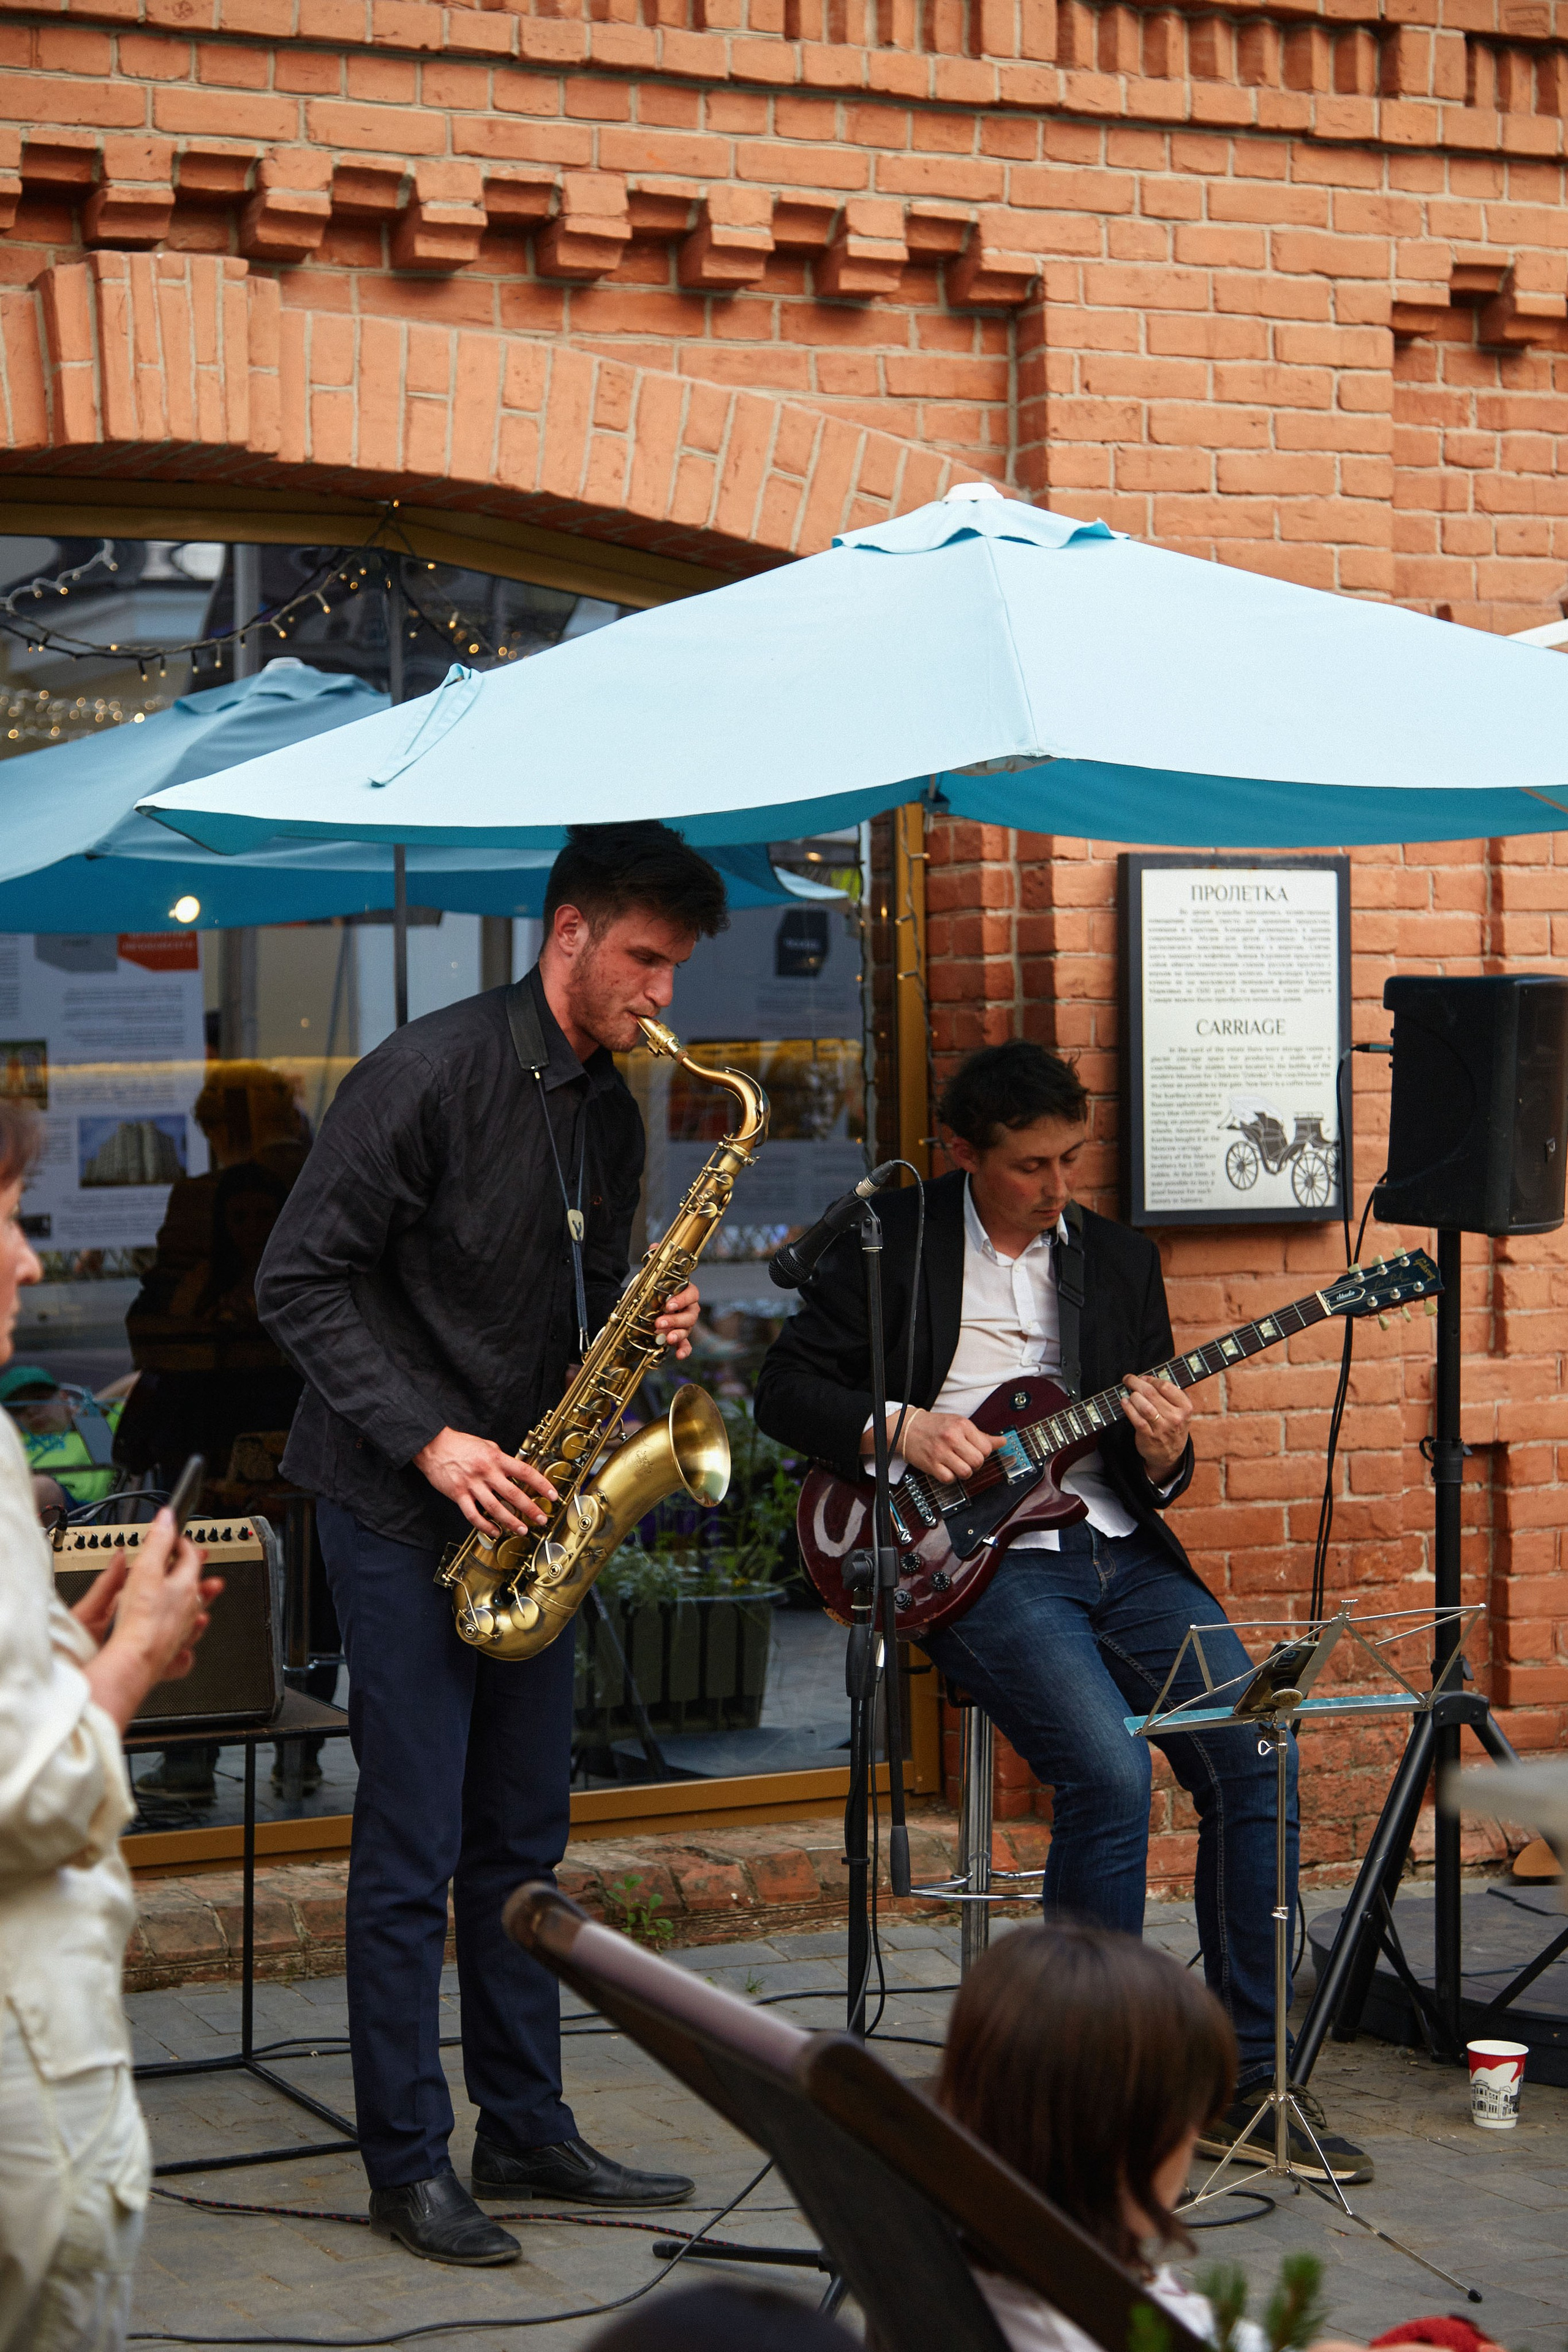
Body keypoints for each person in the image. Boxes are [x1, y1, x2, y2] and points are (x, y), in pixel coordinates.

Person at [755, 1038, 1369, 2184]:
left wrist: (1168, 1450)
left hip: (1116, 1547)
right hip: (967, 1555)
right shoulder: (903, 1243)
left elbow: (1149, 1466)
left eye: (1071, 1159)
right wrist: (900, 1425)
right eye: (1032, 1165)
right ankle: (1087, 2099)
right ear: (964, 1154)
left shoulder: (1119, 1262)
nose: (1058, 1187)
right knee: (1108, 1772)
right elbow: (781, 1391)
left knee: (1256, 1752)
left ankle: (1250, 2079)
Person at [257, 822, 728, 2268]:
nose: (660, 992)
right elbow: (298, 1276)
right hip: (405, 1503)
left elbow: (571, 1298)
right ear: (570, 929)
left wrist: (648, 1334)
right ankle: (407, 2158)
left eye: (673, 966)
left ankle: (524, 2119)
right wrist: (432, 1438)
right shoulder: (427, 1070)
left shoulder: (611, 1105)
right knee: (411, 1842)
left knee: (523, 1833)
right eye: (643, 958)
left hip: (538, 1506)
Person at [0, 1100, 220, 2350]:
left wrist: (64, 1638)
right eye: (11, 1221)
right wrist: (134, 1655)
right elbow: (19, 1790)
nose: (32, 1258)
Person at [934, 1924, 1363, 2352]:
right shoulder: (1081, 2330)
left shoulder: (965, 2257)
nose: (1194, 2140)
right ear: (1117, 2146)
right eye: (1190, 2119)